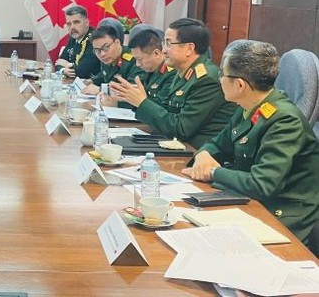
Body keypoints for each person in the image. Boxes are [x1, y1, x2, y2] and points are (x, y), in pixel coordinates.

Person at [182, 40, 319, 244]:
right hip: (251, 202)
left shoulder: (284, 120)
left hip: (281, 215)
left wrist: (213, 172)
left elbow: (261, 185)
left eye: (223, 74)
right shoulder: (250, 105)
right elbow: (218, 144)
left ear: (239, 85)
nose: (219, 79)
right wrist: (204, 155)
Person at [111, 18, 237, 147]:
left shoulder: (206, 80)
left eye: (169, 44)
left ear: (189, 48)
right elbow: (166, 110)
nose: (164, 50)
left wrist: (142, 102)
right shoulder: (182, 73)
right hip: (178, 144)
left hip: (199, 151)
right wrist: (137, 100)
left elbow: (181, 129)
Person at [112, 28, 176, 107]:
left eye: (139, 59)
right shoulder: (149, 70)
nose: (137, 64)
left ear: (156, 54)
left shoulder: (171, 75)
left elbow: (160, 107)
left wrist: (117, 104)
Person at [82, 25, 146, 95]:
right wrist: (92, 81)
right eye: (97, 50)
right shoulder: (107, 57)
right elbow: (105, 75)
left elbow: (133, 90)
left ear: (117, 43)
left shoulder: (135, 59)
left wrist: (101, 90)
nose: (102, 54)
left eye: (106, 47)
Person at [55, 5, 101, 79]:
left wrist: (67, 65)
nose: (72, 27)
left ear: (86, 22)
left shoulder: (94, 39)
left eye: (76, 22)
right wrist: (63, 70)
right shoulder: (73, 37)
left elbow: (83, 72)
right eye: (69, 24)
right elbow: (59, 62)